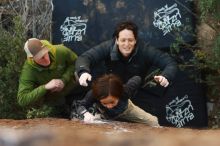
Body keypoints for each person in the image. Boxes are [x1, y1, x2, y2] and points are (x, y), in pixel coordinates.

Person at [75, 21, 177, 88]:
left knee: (151, 120)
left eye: (130, 40)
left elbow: (170, 63)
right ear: (117, 40)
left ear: (136, 40)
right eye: (123, 40)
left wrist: (166, 76)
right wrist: (83, 72)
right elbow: (85, 57)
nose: (126, 44)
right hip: (111, 88)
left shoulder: (145, 50)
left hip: (136, 92)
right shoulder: (108, 46)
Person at [17, 38, 78, 117]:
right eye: (40, 57)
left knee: (80, 74)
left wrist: (64, 79)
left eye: (44, 53)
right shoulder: (29, 71)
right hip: (55, 99)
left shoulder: (60, 51)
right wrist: (45, 87)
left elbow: (76, 62)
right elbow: (22, 99)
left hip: (74, 89)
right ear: (32, 58)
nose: (46, 59)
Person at [71, 74, 159, 126]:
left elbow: (137, 78)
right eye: (105, 103)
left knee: (153, 122)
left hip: (127, 110)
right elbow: (79, 105)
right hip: (103, 114)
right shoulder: (93, 94)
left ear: (119, 94)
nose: (109, 106)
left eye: (112, 102)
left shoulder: (126, 90)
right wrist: (85, 114)